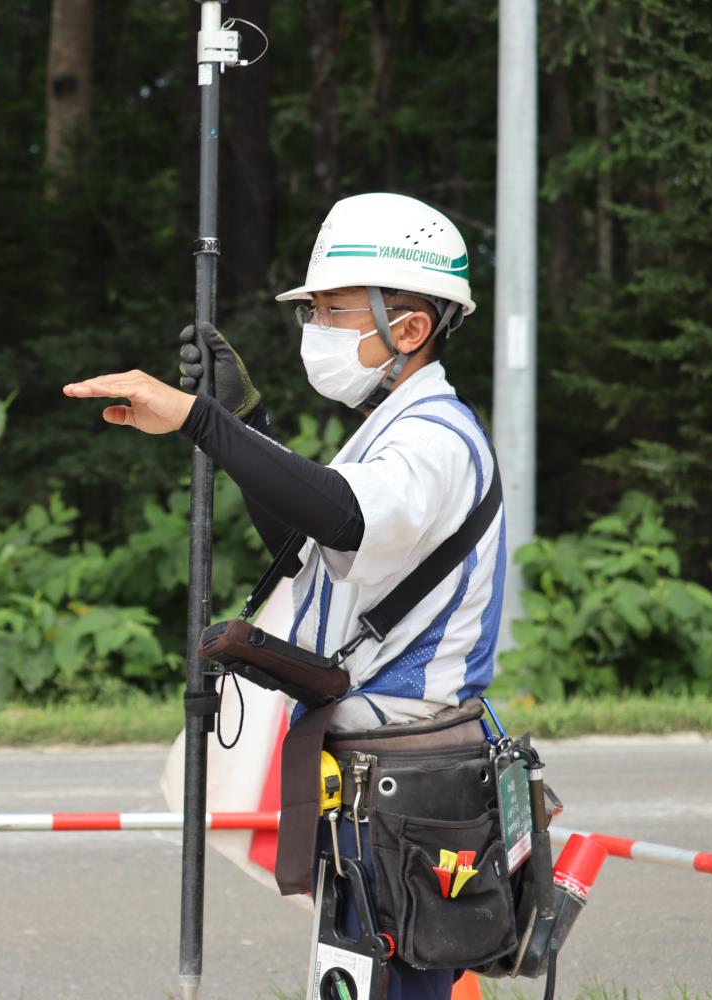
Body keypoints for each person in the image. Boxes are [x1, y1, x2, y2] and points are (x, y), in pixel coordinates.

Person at [64, 193, 506, 999]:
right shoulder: (392, 427)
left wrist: (204, 422)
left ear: (410, 328)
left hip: (410, 785)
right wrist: (248, 419)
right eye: (314, 311)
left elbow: (340, 512)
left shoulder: (435, 437)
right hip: (380, 781)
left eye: (335, 312)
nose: (316, 328)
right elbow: (314, 550)